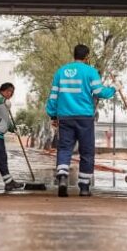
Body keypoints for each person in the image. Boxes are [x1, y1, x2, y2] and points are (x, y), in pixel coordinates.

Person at [46, 44, 115, 197]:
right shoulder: (90, 72)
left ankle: (63, 176)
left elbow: (53, 96)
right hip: (84, 117)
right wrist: (113, 89)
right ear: (87, 56)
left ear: (74, 54)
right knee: (87, 151)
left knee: (64, 148)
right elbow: (99, 92)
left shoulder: (61, 72)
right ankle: (84, 187)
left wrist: (52, 115)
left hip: (65, 116)